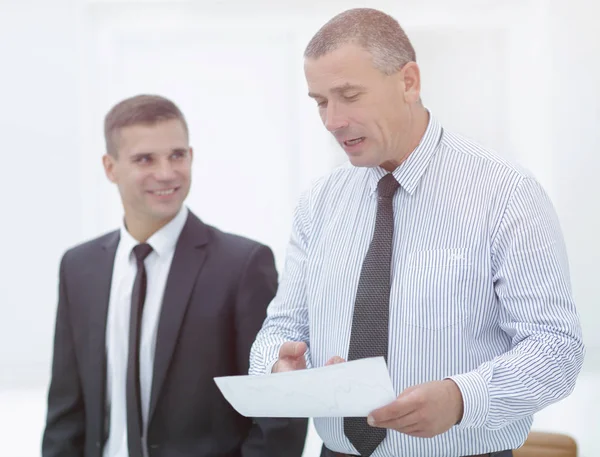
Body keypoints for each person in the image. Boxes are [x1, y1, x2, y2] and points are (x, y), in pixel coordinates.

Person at [249, 7, 584, 457]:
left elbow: (556, 349)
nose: (332, 121)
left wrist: (462, 398)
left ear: (408, 81)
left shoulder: (505, 194)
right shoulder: (319, 204)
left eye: (349, 95)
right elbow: (281, 327)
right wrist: (277, 368)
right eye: (320, 102)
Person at [42, 94, 307, 457]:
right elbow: (65, 412)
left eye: (177, 155)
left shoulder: (242, 265)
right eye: (145, 159)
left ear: (191, 156)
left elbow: (279, 412)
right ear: (110, 167)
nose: (166, 173)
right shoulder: (79, 267)